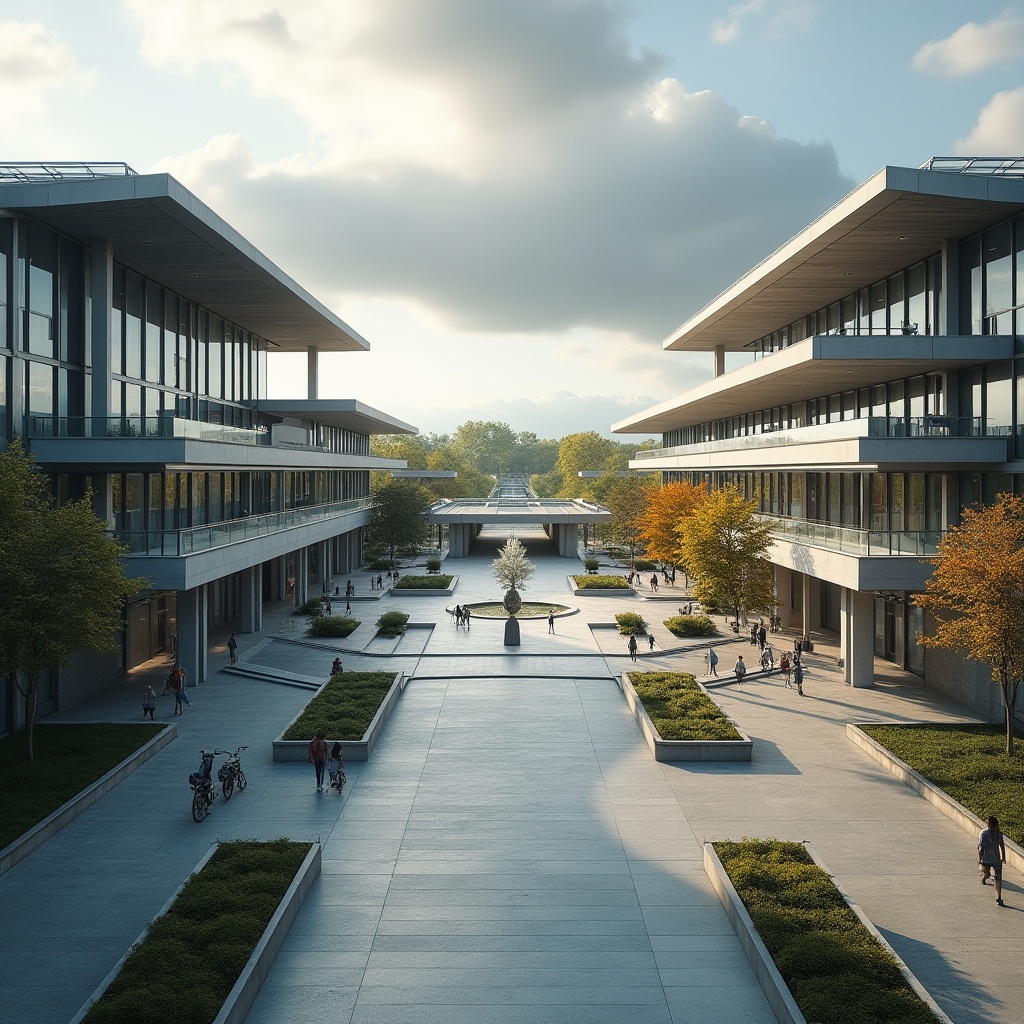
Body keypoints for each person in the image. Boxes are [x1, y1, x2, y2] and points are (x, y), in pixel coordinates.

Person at [979, 816, 1007, 905]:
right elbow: (1002, 846)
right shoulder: (998, 834)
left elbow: (981, 848)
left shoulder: (984, 834)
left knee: (989, 874)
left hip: (986, 859)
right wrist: (1003, 856)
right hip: (996, 859)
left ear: (989, 824)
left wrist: (980, 860)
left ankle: (984, 878)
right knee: (997, 878)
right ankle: (998, 897)